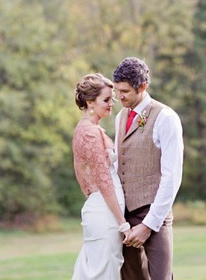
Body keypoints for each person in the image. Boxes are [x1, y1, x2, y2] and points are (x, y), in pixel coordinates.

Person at [113, 57, 183, 280]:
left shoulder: (166, 117)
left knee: (162, 277)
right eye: (117, 90)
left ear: (142, 86)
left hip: (155, 214)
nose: (119, 97)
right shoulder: (120, 117)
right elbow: (118, 165)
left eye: (125, 91)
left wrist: (149, 224)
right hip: (125, 217)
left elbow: (172, 177)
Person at [72, 73, 132, 279]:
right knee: (103, 273)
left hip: (103, 211)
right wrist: (122, 222)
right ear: (90, 102)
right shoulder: (89, 133)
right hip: (106, 215)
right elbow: (103, 180)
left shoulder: (92, 129)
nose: (112, 103)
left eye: (112, 98)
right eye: (106, 99)